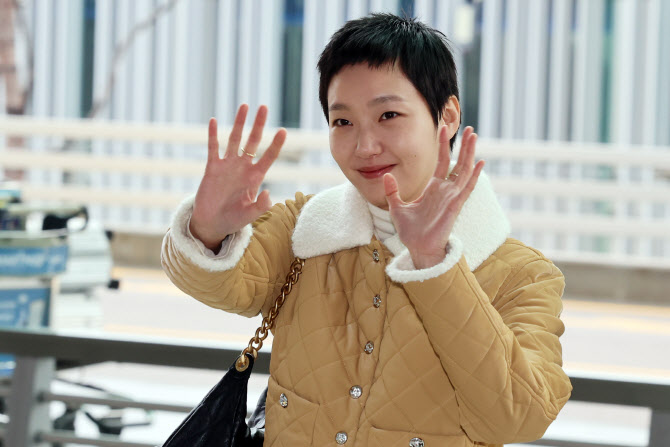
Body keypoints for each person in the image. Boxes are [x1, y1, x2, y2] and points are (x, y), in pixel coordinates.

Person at [161, 13, 572, 447]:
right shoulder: (304, 229)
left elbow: (521, 417)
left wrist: (434, 264)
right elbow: (221, 285)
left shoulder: (522, 275)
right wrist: (206, 229)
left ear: (447, 116)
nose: (364, 146)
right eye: (343, 122)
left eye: (388, 115)